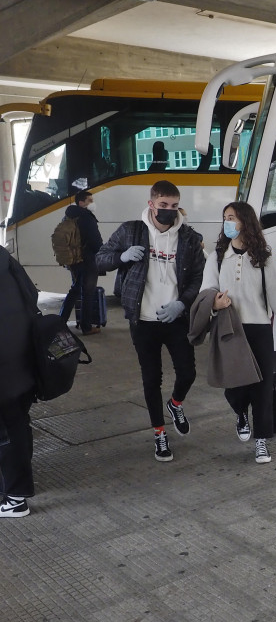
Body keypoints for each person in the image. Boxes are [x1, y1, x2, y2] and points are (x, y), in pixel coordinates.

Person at [96, 180, 205, 462]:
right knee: (151, 378)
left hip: (175, 317)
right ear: (151, 204)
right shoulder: (131, 231)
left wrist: (183, 303)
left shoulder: (190, 238)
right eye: (163, 205)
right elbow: (100, 259)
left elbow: (197, 277)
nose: (169, 210)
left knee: (188, 372)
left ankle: (176, 403)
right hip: (142, 321)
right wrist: (121, 256)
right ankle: (159, 434)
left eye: (174, 206)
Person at [198, 201, 276, 464]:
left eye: (231, 217)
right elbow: (206, 290)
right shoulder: (218, 256)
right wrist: (214, 302)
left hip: (259, 328)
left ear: (245, 221)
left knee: (262, 386)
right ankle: (240, 413)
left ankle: (261, 442)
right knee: (234, 383)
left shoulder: (262, 257)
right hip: (228, 327)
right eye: (225, 217)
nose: (227, 222)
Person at [0, 246, 38, 517]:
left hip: (4, 363)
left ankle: (15, 498)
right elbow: (32, 296)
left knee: (6, 433)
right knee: (18, 423)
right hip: (22, 357)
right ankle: (17, 488)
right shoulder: (7, 261)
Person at [58, 189, 104, 335]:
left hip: (73, 259)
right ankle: (86, 326)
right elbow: (95, 240)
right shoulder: (86, 217)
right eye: (90, 201)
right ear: (81, 202)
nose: (93, 203)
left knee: (75, 290)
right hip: (87, 259)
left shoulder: (68, 217)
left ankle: (60, 322)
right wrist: (101, 253)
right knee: (88, 293)